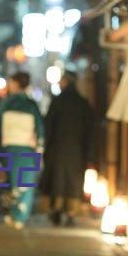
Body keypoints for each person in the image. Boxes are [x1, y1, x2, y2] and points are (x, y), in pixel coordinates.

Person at [0, 72, 44, 230]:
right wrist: (39, 147)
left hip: (9, 147)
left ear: (14, 83)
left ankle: (12, 213)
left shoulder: (6, 104)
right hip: (27, 149)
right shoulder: (32, 105)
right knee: (24, 182)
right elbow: (39, 129)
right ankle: (20, 215)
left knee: (10, 181)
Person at [42, 71, 98, 226]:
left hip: (57, 149)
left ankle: (57, 209)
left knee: (57, 179)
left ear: (65, 82)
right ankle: (71, 211)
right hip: (78, 151)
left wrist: (46, 147)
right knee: (74, 181)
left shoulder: (57, 102)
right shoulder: (83, 103)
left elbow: (49, 126)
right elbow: (91, 130)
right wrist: (90, 154)